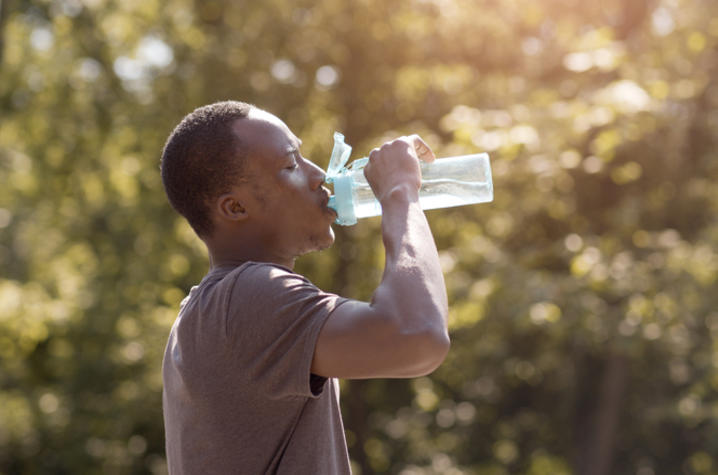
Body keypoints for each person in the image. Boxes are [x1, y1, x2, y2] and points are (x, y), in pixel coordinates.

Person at [160, 100, 450, 474]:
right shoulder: (247, 296)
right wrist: (400, 193)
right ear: (234, 208)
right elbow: (418, 336)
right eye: (290, 165)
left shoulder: (206, 311)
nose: (318, 176)